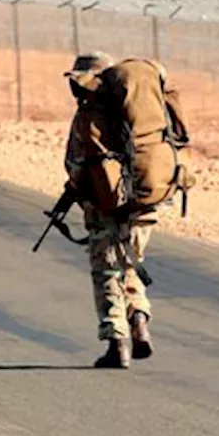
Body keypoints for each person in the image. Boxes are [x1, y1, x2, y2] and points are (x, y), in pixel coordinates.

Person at [62, 52, 157, 369]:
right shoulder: (138, 115)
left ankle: (117, 343)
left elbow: (77, 167)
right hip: (144, 203)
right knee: (132, 265)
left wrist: (78, 189)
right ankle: (140, 320)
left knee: (106, 272)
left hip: (105, 208)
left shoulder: (89, 116)